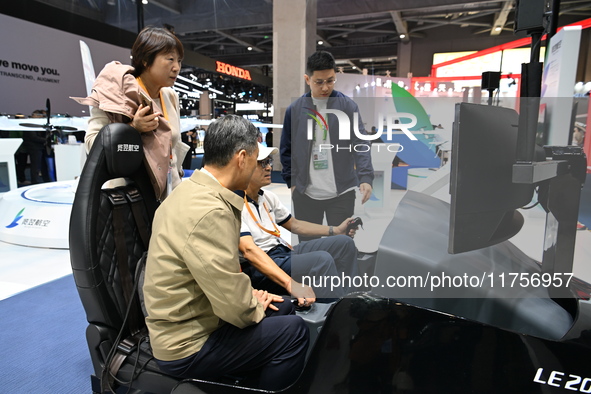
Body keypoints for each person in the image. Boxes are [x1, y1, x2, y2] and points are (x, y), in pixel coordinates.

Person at [143, 115, 309, 391]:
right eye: (257, 160)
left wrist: (253, 296)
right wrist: (253, 301)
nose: (261, 167)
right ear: (242, 158)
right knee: (293, 333)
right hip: (188, 343)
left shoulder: (191, 192)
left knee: (284, 306)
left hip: (196, 316)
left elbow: (216, 278)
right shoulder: (210, 212)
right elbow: (235, 306)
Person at [72, 26, 189, 200]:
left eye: (179, 61)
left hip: (169, 194)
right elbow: (92, 144)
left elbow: (173, 148)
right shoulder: (115, 92)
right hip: (130, 199)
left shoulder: (170, 96)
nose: (177, 67)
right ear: (145, 60)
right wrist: (132, 129)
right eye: (170, 59)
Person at [238, 143, 359, 304]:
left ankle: (352, 301)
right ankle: (336, 317)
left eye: (269, 162)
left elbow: (295, 225)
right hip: (261, 265)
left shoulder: (267, 197)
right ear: (245, 165)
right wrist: (289, 283)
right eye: (262, 163)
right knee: (321, 260)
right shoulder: (235, 204)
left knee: (344, 243)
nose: (268, 168)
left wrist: (335, 230)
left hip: (284, 252)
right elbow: (248, 251)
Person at [280, 50, 374, 242]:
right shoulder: (295, 110)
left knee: (342, 246)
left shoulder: (347, 107)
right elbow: (286, 149)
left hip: (342, 192)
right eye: (319, 82)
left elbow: (360, 142)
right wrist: (292, 182)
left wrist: (365, 176)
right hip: (306, 193)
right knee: (308, 249)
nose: (325, 87)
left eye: (330, 81)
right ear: (307, 79)